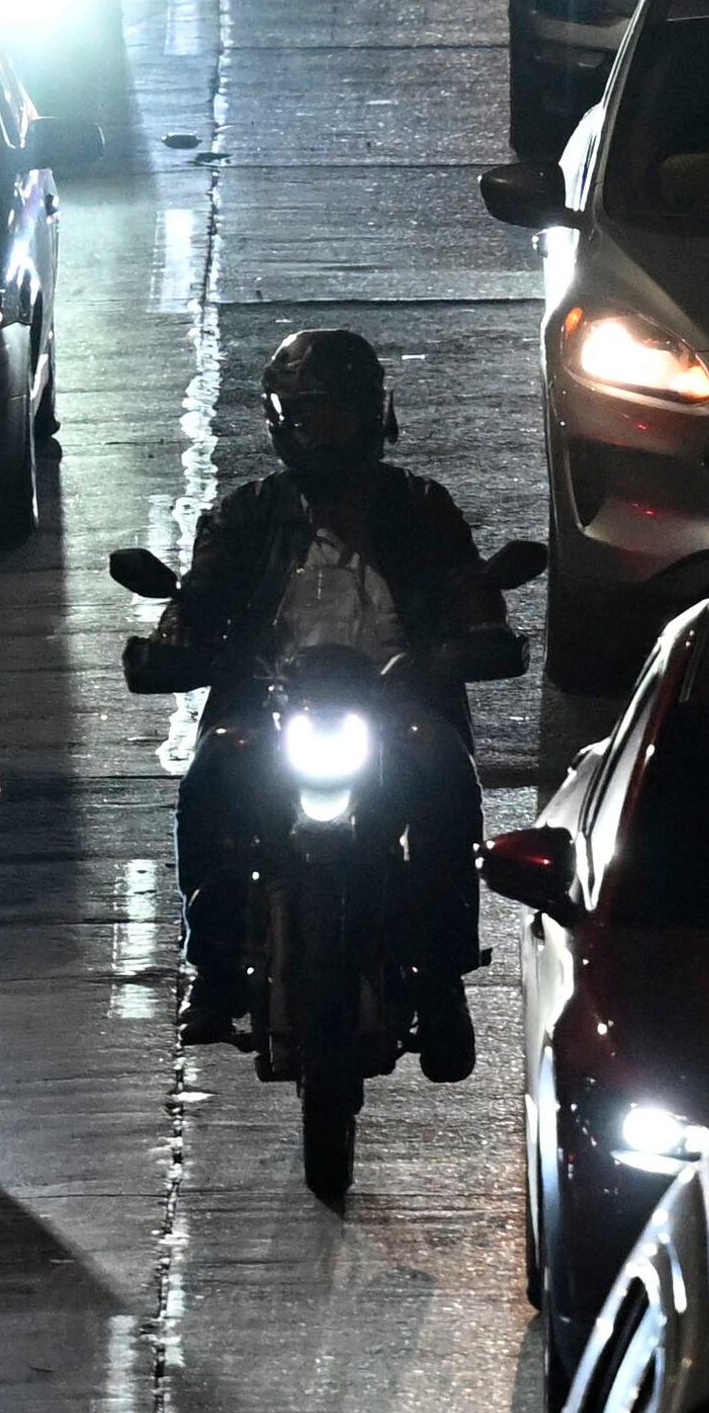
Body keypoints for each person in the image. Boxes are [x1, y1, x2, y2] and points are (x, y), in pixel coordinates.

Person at [144, 331, 515, 1069]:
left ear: (378, 415)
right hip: (271, 708)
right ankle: (213, 968)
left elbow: (467, 592)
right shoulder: (245, 516)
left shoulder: (420, 507)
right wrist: (173, 641)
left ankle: (443, 978)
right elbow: (198, 601)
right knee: (209, 778)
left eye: (343, 414)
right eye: (310, 416)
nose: (327, 433)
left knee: (446, 778)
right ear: (281, 423)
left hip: (395, 703)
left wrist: (477, 632)